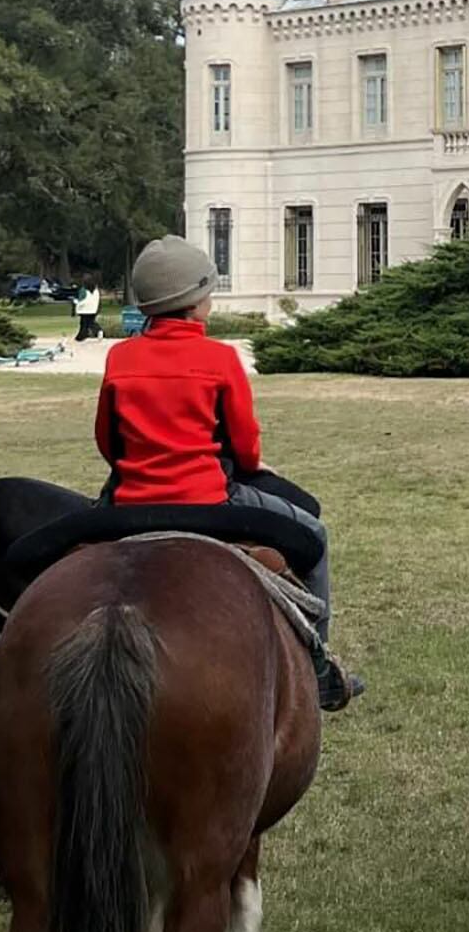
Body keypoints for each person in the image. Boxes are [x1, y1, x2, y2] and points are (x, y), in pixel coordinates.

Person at [98, 235, 363, 710]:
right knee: (315, 536)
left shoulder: (120, 357)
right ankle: (318, 668)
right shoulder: (220, 358)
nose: (210, 300)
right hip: (211, 502)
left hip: (129, 503)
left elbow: (108, 441)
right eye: (207, 292)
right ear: (191, 302)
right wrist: (252, 464)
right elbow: (243, 445)